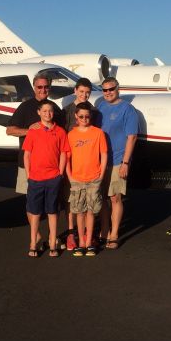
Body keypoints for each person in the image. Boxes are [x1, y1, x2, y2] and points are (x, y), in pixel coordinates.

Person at [6, 73, 65, 250]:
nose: (43, 90)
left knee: (52, 205)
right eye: (39, 87)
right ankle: (37, 236)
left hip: (51, 167)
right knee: (32, 204)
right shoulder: (25, 107)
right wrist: (29, 130)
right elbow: (10, 130)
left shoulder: (53, 108)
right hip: (29, 164)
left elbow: (62, 133)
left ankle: (52, 238)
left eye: (46, 87)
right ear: (34, 88)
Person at [22, 99, 70, 258]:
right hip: (35, 178)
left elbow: (64, 152)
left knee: (52, 211)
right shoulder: (33, 131)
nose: (47, 114)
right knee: (35, 212)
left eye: (50, 111)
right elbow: (27, 154)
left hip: (53, 178)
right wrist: (29, 174)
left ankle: (52, 243)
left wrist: (60, 173)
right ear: (39, 112)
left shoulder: (60, 131)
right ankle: (33, 243)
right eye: (44, 111)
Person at [97, 77, 138, 249]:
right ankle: (104, 229)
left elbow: (132, 137)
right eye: (104, 90)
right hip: (100, 160)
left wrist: (125, 162)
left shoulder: (128, 109)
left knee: (115, 197)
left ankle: (114, 234)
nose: (108, 93)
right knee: (103, 198)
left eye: (111, 89)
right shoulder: (100, 107)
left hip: (117, 160)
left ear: (118, 88)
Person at [61, 77, 99, 250]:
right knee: (73, 200)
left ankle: (87, 235)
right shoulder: (67, 110)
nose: (84, 95)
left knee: (90, 203)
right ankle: (71, 233)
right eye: (81, 91)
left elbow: (95, 133)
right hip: (72, 162)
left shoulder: (93, 111)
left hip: (89, 163)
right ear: (75, 91)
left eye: (87, 92)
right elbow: (62, 136)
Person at [66, 102, 108, 257]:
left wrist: (101, 175)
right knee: (79, 212)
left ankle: (89, 241)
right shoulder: (71, 134)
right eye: (81, 116)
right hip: (77, 179)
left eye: (87, 116)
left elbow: (103, 154)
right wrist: (70, 176)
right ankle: (81, 242)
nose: (84, 119)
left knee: (91, 211)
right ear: (76, 117)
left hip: (94, 178)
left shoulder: (98, 133)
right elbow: (67, 157)